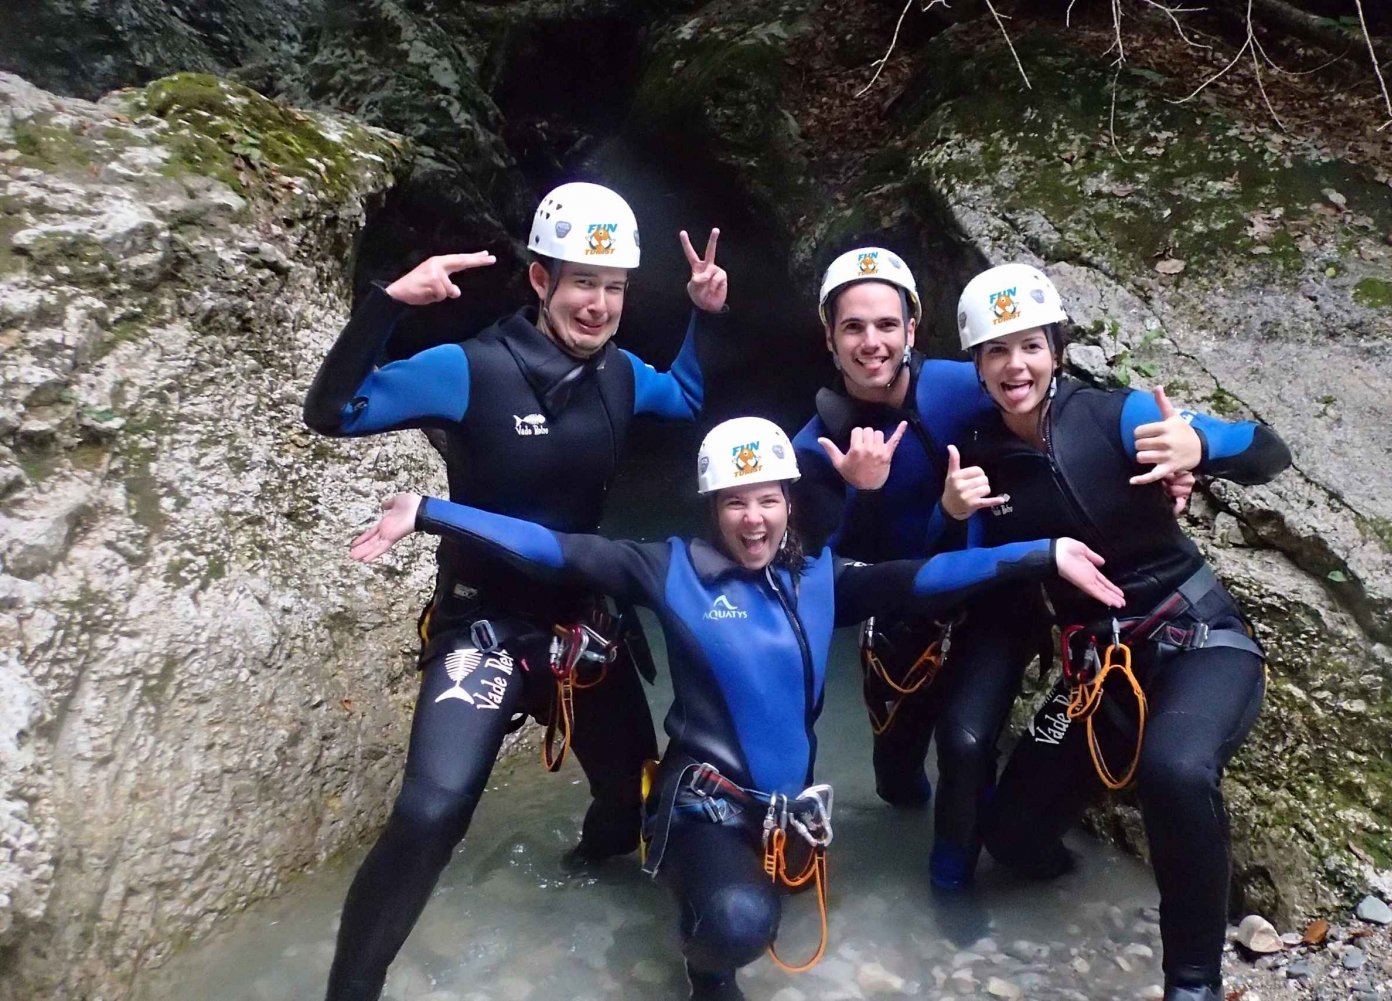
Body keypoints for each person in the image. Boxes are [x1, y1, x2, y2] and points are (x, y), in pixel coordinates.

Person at [348, 415, 1128, 1001]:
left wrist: (1042, 551)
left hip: (786, 816)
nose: (753, 518)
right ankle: (703, 969)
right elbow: (555, 546)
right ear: (711, 507)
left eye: (767, 500)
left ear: (789, 502)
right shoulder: (669, 570)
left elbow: (931, 574)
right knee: (738, 926)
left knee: (762, 906)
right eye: (734, 503)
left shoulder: (825, 578)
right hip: (704, 809)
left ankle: (712, 912)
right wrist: (431, 511)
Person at [302, 181, 729, 1001]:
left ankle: (585, 892)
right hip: (484, 630)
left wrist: (703, 315)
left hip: (581, 629)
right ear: (540, 280)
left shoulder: (624, 374)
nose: (599, 305)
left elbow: (687, 395)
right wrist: (386, 304)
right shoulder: (468, 369)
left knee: (628, 786)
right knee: (431, 813)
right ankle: (350, 991)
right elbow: (335, 411)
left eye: (613, 288)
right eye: (581, 283)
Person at [941, 263, 1292, 1001]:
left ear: (1057, 348)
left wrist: (1201, 450)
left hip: (1199, 641)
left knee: (1174, 768)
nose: (1015, 365)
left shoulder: (1118, 416)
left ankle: (1190, 981)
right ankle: (1095, 902)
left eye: (1030, 345)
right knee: (1013, 839)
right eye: (996, 351)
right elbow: (962, 572)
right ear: (975, 364)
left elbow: (1268, 449)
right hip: (1095, 676)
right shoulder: (976, 457)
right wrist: (951, 512)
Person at [790, 247, 1192, 890]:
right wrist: (857, 493)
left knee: (967, 743)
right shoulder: (813, 450)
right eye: (854, 327)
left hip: (996, 597)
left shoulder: (961, 385)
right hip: (903, 617)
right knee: (896, 784)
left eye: (887, 325)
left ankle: (953, 893)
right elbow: (819, 586)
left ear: (912, 330)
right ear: (829, 339)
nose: (873, 343)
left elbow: (1056, 419)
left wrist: (1167, 469)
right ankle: (934, 843)